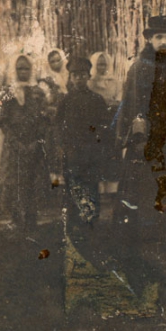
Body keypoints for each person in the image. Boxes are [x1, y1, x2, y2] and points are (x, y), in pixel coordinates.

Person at [113, 15, 166, 293]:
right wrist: (139, 135)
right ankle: (146, 235)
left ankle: (164, 231)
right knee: (146, 183)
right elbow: (132, 103)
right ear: (149, 40)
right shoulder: (141, 67)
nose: (164, 42)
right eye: (159, 37)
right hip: (148, 136)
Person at [56, 56, 111, 262]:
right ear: (70, 77)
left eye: (82, 75)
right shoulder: (65, 101)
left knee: (91, 188)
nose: (79, 78)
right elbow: (57, 126)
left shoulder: (97, 100)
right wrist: (63, 147)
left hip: (91, 154)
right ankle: (73, 227)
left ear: (89, 76)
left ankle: (91, 225)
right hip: (72, 155)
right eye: (75, 75)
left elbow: (104, 126)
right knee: (73, 188)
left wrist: (98, 145)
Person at [0, 54, 50, 233]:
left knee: (33, 181)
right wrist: (15, 141)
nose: (23, 72)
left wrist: (36, 141)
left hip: (34, 145)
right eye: (19, 68)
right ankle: (17, 219)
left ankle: (32, 219)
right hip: (14, 146)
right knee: (16, 181)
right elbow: (3, 121)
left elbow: (44, 120)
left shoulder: (38, 92)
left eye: (26, 68)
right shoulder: (8, 93)